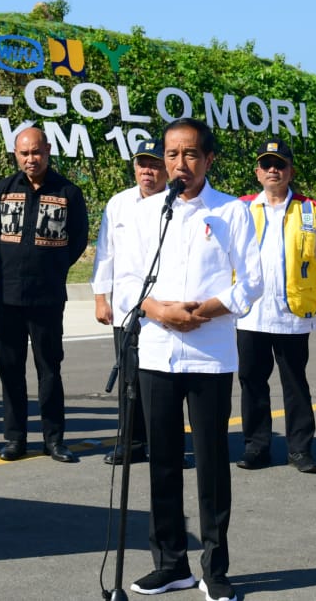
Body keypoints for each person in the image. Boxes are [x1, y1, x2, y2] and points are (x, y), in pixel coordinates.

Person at [130, 118, 262, 601]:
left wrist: (205, 311)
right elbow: (128, 280)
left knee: (211, 463)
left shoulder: (232, 211)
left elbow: (251, 282)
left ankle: (215, 568)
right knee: (162, 462)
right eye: (171, 154)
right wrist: (159, 310)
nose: (179, 164)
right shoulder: (148, 213)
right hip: (157, 351)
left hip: (210, 355)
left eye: (189, 154)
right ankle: (170, 564)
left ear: (208, 159)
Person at [0, 126, 88, 463]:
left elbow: (77, 240)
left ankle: (54, 440)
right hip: (8, 296)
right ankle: (15, 438)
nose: (31, 159)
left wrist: (51, 268)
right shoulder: (3, 190)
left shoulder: (68, 192)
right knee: (10, 367)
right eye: (24, 153)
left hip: (47, 297)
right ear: (16, 154)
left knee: (49, 369)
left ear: (47, 151)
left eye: (36, 152)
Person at [235, 138, 316, 475]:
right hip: (251, 313)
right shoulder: (242, 208)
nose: (273, 170)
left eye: (280, 165)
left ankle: (300, 450)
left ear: (291, 171)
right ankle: (256, 447)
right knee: (251, 382)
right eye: (267, 164)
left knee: (295, 383)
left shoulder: (310, 210)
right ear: (257, 172)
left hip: (292, 313)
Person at [92, 137, 168, 466]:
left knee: (164, 381)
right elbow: (105, 253)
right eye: (142, 164)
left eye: (154, 164)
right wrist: (101, 298)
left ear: (166, 168)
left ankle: (166, 446)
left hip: (164, 309)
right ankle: (131, 443)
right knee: (129, 378)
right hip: (126, 309)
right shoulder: (119, 203)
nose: (147, 171)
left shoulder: (178, 204)